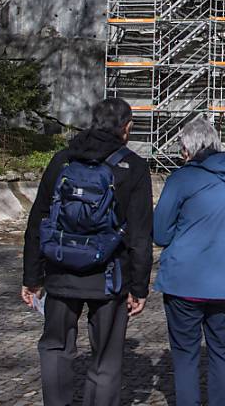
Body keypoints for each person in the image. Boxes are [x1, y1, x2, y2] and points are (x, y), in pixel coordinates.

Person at [21, 98, 153, 406]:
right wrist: (139, 286)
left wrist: (32, 277)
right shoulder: (133, 167)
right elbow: (141, 234)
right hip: (109, 276)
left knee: (55, 347)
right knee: (106, 357)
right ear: (127, 127)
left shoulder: (62, 160)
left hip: (59, 268)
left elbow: (38, 220)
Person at [153, 116, 225, 406]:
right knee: (223, 353)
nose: (180, 153)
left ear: (189, 148)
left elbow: (160, 232)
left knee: (185, 357)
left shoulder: (182, 178)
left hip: (184, 281)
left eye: (181, 148)